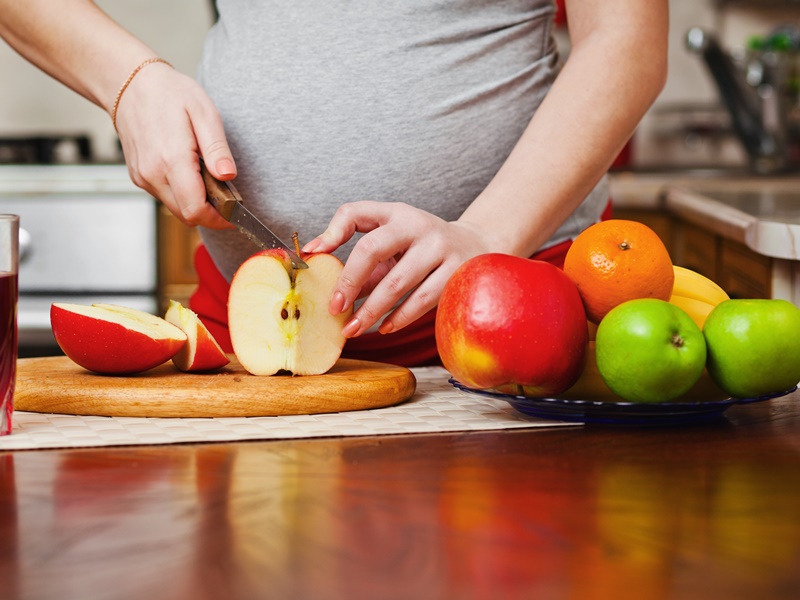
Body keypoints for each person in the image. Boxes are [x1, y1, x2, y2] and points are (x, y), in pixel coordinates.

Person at [0, 1, 668, 367]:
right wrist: (127, 80)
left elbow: (627, 36)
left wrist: (486, 234)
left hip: (524, 323)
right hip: (248, 335)